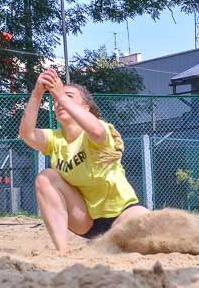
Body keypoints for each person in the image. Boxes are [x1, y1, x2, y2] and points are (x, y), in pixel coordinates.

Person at [18, 68, 149, 253]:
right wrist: (37, 93)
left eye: (68, 96)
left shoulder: (97, 128)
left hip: (122, 213)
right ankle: (62, 251)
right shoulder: (56, 139)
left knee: (149, 226)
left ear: (85, 109)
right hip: (86, 221)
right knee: (45, 177)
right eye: (56, 100)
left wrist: (60, 95)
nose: (59, 101)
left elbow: (96, 131)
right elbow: (27, 133)